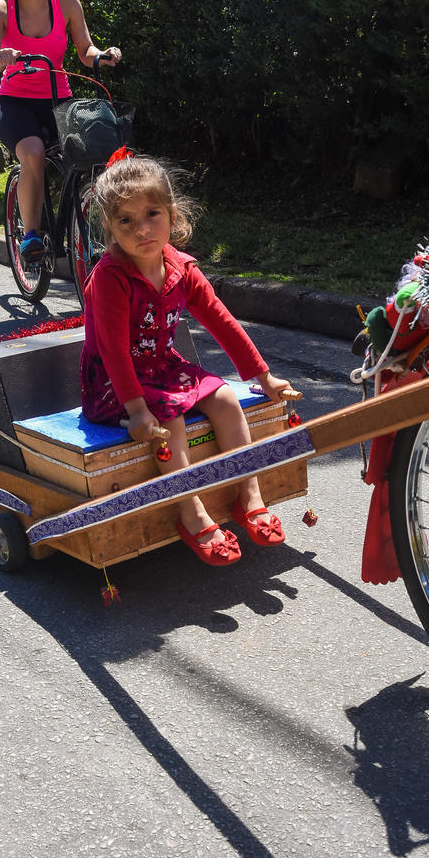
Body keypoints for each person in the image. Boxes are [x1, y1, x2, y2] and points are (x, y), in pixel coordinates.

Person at [80, 155, 295, 566]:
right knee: (171, 420)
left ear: (173, 214)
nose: (142, 229)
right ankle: (190, 512)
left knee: (227, 399)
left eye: (152, 214)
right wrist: (137, 411)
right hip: (115, 382)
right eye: (125, 220)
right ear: (108, 227)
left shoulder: (181, 268)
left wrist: (263, 378)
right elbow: (113, 351)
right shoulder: (110, 277)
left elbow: (222, 321)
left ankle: (249, 495)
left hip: (162, 366)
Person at [0, 0, 122, 263]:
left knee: (89, 156)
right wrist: (0, 57)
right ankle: (32, 235)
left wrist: (102, 55)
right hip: (14, 103)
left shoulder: (67, 2)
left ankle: (80, 219)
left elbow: (86, 51)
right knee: (32, 153)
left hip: (58, 100)